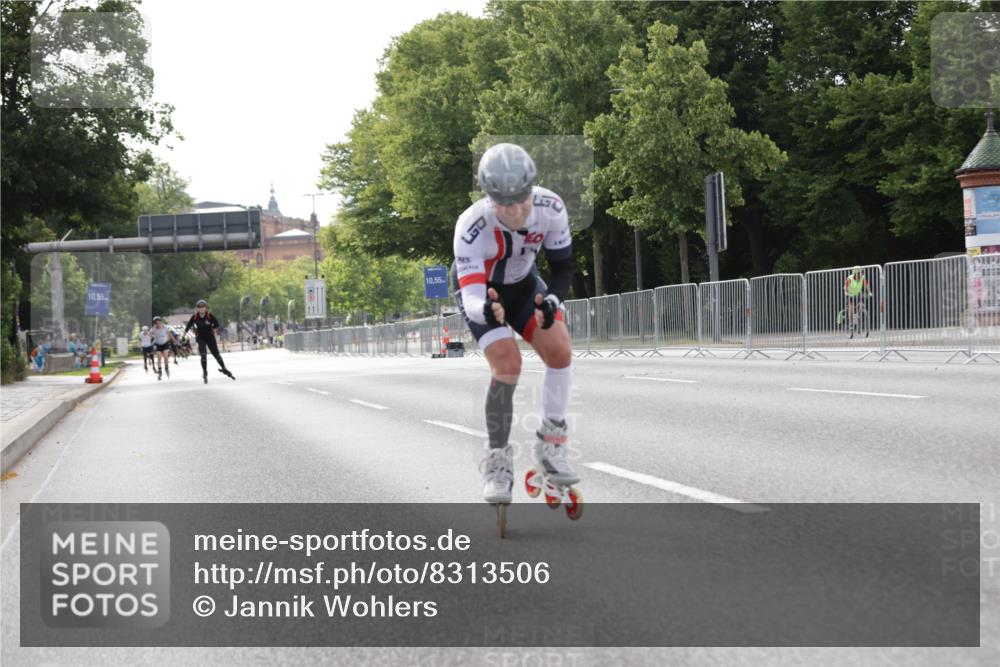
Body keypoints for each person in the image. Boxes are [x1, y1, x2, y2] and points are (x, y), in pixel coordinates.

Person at [452, 143, 578, 506]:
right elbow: (473, 296)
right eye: (504, 202)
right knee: (508, 364)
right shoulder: (472, 225)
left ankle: (552, 445)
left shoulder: (551, 207)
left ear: (532, 189)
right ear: (489, 198)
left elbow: (563, 268)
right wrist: (488, 312)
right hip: (483, 294)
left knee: (560, 349)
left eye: (521, 198)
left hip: (524, 287)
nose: (515, 209)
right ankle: (497, 462)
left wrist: (552, 302)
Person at [184, 299, 235, 383]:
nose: (201, 308)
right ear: (197, 308)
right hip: (200, 338)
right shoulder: (195, 317)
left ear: (205, 308)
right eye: (199, 307)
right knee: (203, 355)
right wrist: (183, 335)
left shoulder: (210, 316)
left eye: (203, 307)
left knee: (216, 354)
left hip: (210, 337)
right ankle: (205, 371)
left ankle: (224, 368)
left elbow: (216, 324)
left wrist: (213, 329)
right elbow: (188, 326)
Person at [843, 266, 873, 339]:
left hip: (858, 295)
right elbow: (845, 288)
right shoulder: (849, 278)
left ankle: (859, 319)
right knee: (851, 310)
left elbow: (866, 285)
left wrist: (869, 292)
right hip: (850, 296)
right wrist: (846, 292)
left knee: (861, 306)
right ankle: (851, 326)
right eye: (860, 272)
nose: (862, 273)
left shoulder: (862, 277)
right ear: (856, 273)